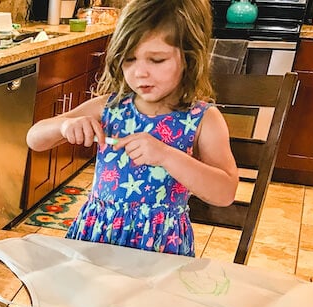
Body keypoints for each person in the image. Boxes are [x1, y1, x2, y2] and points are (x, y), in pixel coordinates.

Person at [26, 0, 238, 256]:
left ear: (190, 57)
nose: (139, 73)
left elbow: (225, 193)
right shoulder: (108, 107)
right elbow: (34, 138)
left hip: (160, 249)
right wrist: (65, 125)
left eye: (157, 60)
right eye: (129, 59)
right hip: (97, 240)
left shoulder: (204, 119)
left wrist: (166, 155)